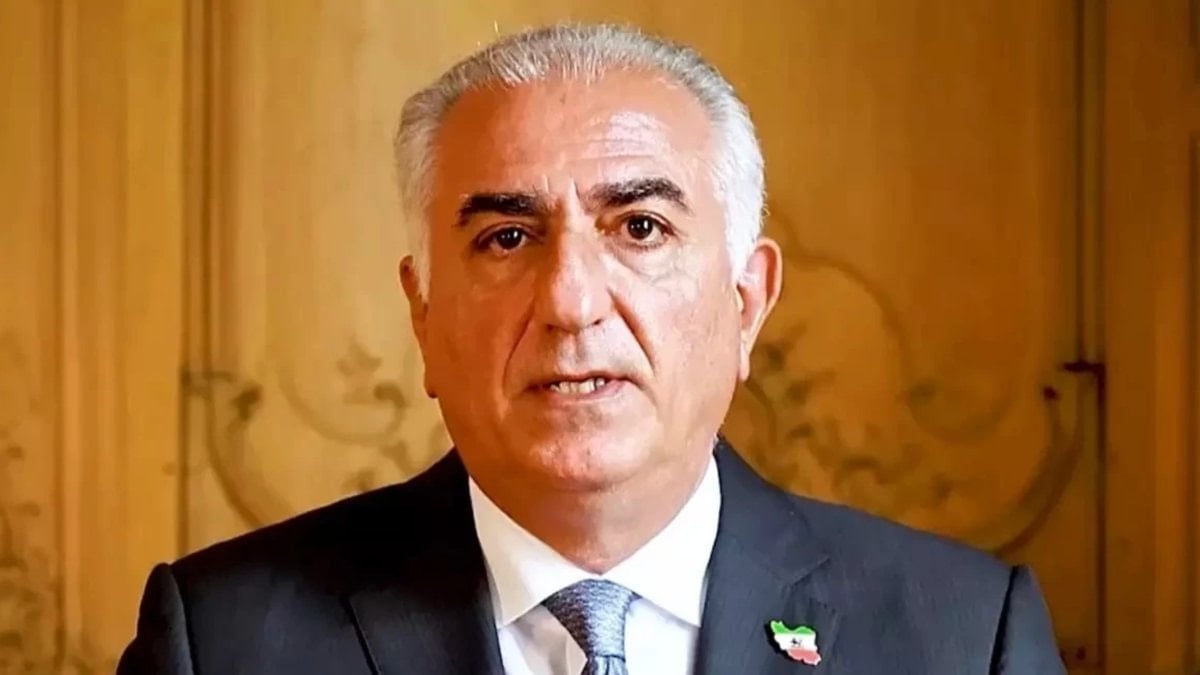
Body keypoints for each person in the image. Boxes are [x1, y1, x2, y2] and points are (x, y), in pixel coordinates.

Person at [117, 22, 1065, 675]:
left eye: (641, 228)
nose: (571, 302)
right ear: (423, 315)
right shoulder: (224, 641)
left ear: (746, 301)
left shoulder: (961, 635)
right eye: (506, 238)